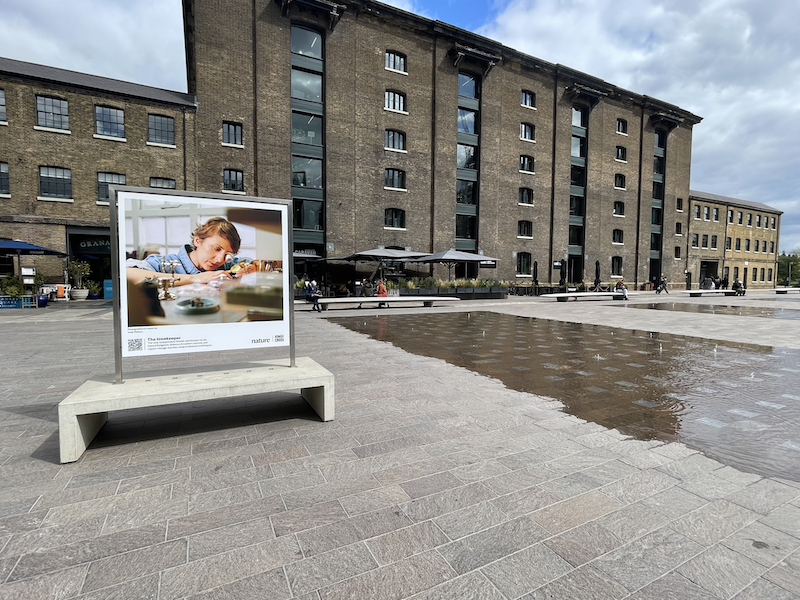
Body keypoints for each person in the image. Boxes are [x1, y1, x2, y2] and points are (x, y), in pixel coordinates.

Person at [126, 217, 250, 285]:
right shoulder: (165, 263)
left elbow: (255, 263)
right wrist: (195, 279)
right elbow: (128, 274)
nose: (220, 259)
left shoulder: (226, 265)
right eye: (216, 249)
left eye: (227, 255)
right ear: (198, 241)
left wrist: (251, 267)